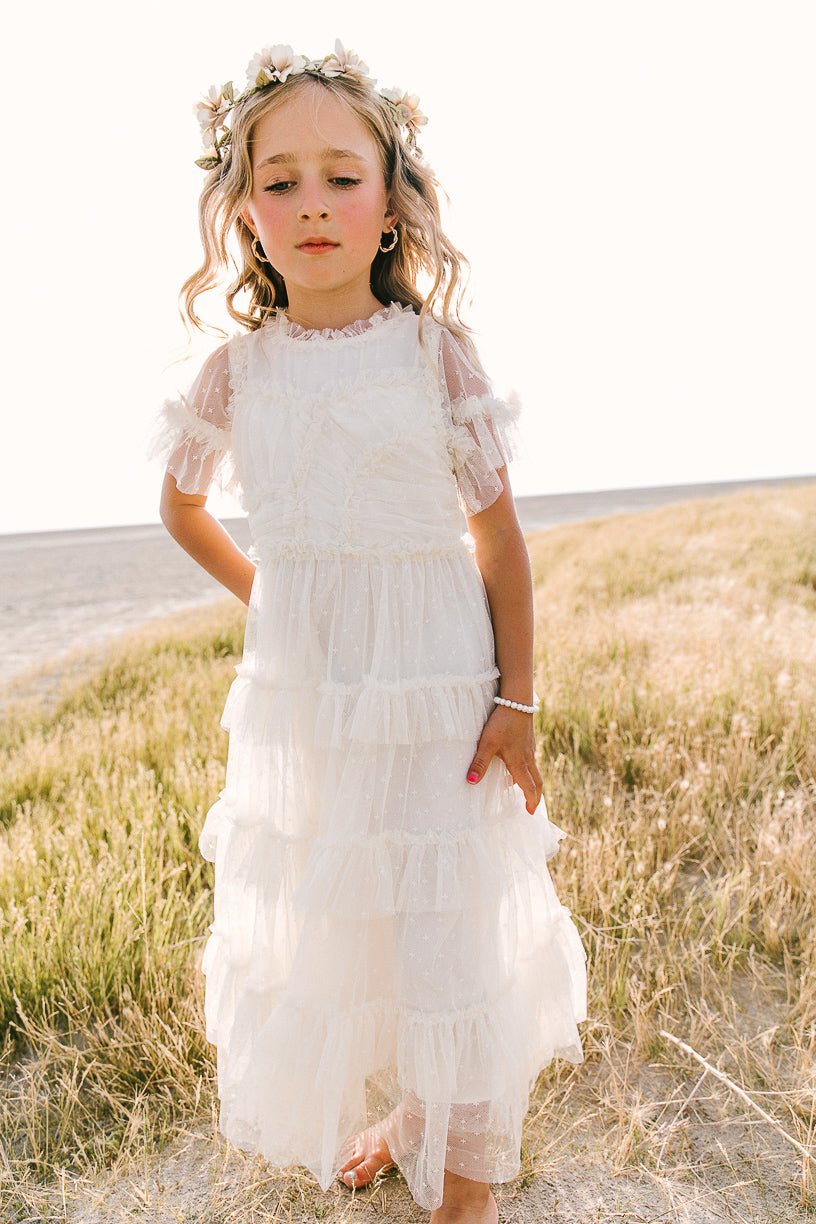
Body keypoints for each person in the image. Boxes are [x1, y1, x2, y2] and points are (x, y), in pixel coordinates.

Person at [147, 38, 588, 1222]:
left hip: (444, 694)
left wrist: (520, 702)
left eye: (341, 175)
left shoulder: (433, 353)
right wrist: (277, 600)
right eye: (278, 181)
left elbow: (499, 543)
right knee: (349, 933)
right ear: (245, 215)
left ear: (391, 201)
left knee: (447, 944)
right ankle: (402, 1114)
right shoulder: (235, 376)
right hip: (312, 711)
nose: (312, 204)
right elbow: (181, 508)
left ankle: (464, 1200)